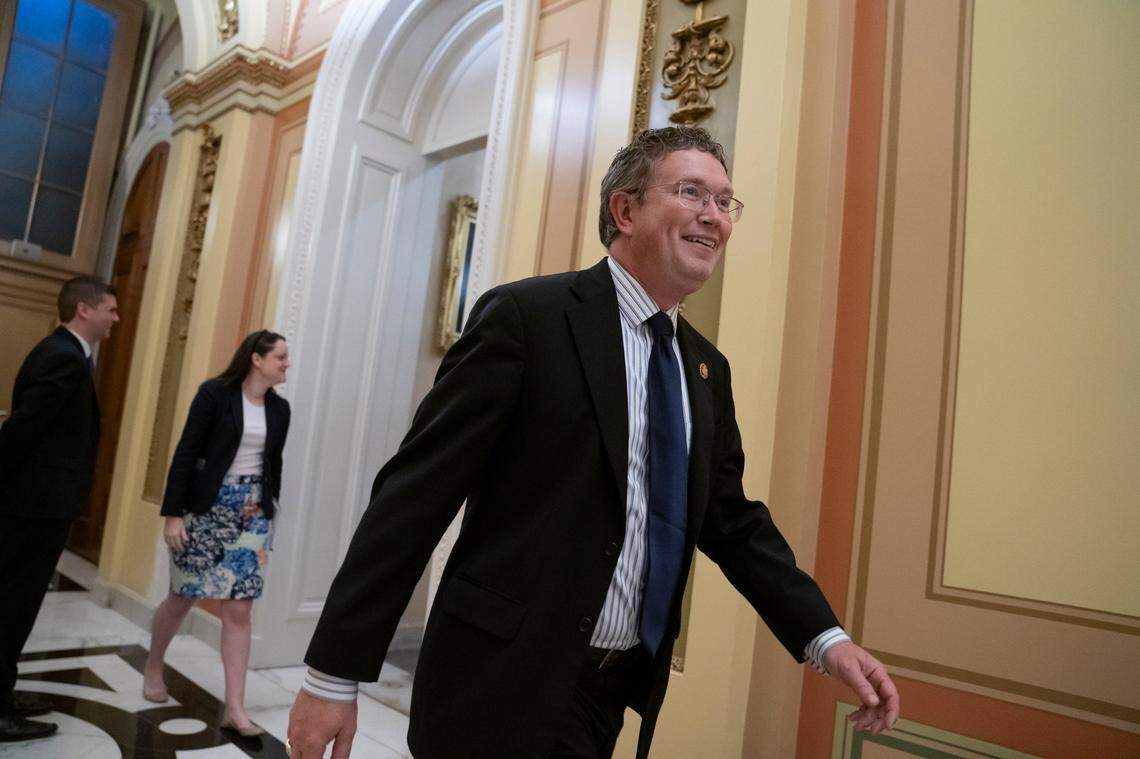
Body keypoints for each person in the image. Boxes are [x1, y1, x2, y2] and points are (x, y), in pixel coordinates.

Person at [287, 127, 900, 758]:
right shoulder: (527, 319)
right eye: (692, 192)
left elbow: (733, 522)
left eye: (724, 201)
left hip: (609, 692)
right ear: (625, 210)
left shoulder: (704, 369)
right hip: (496, 682)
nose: (714, 216)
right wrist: (334, 674)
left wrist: (825, 638)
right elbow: (415, 497)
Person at [143, 330, 291, 737]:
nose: (287, 364)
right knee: (182, 596)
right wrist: (173, 513)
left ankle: (235, 709)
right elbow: (186, 451)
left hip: (251, 512)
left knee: (239, 609)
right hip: (206, 506)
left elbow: (273, 463)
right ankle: (153, 666)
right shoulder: (214, 395)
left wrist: (270, 514)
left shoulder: (280, 409)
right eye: (280, 357)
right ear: (257, 359)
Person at [0, 277, 119, 742]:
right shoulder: (64, 358)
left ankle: (5, 692)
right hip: (35, 506)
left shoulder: (63, 353)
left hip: (38, 503)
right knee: (13, 605)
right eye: (110, 309)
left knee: (18, 603)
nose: (115, 319)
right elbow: (24, 428)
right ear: (84, 309)